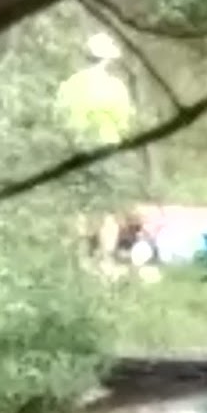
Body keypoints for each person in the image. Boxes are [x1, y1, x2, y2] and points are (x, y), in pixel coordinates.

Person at [55, 31, 141, 272]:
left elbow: (58, 118)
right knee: (108, 211)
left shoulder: (69, 85)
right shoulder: (116, 88)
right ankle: (105, 261)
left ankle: (80, 261)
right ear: (108, 59)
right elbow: (124, 123)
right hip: (107, 150)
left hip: (75, 150)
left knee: (78, 208)